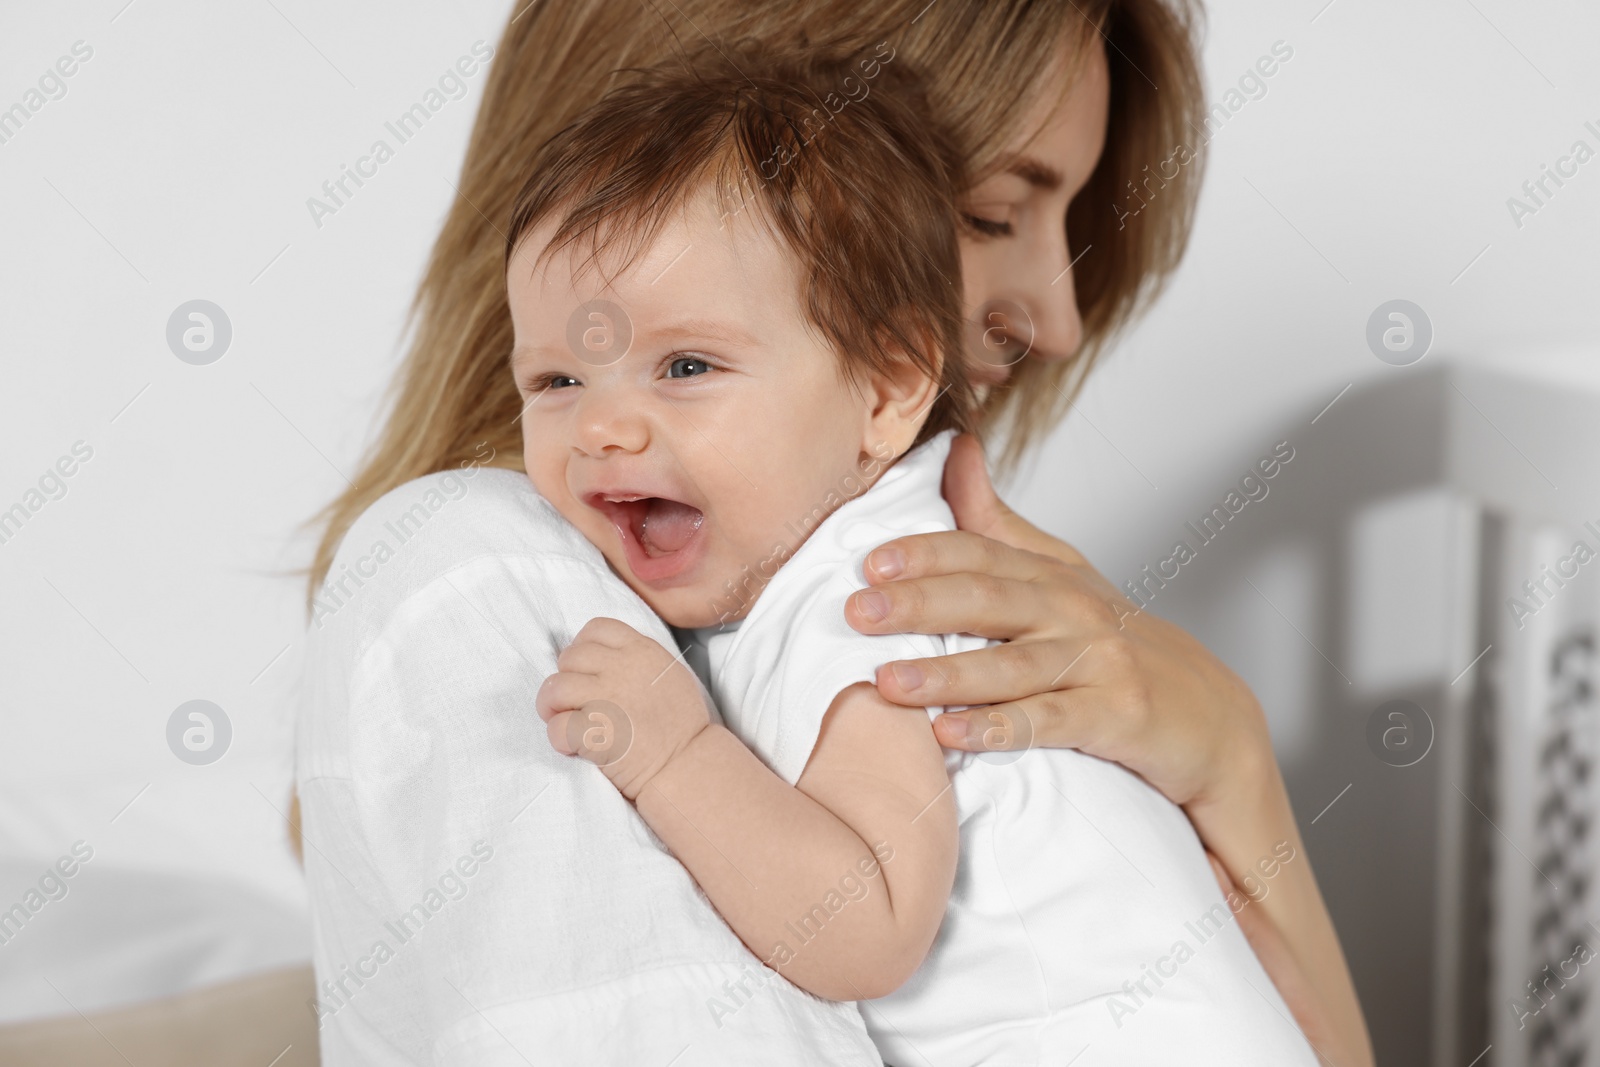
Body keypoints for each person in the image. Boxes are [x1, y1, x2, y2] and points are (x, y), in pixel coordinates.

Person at [300, 1, 1371, 1064]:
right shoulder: (485, 577)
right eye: (997, 212)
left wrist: (1233, 759)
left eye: (686, 368)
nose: (1061, 320)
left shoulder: (865, 592)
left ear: (891, 381)